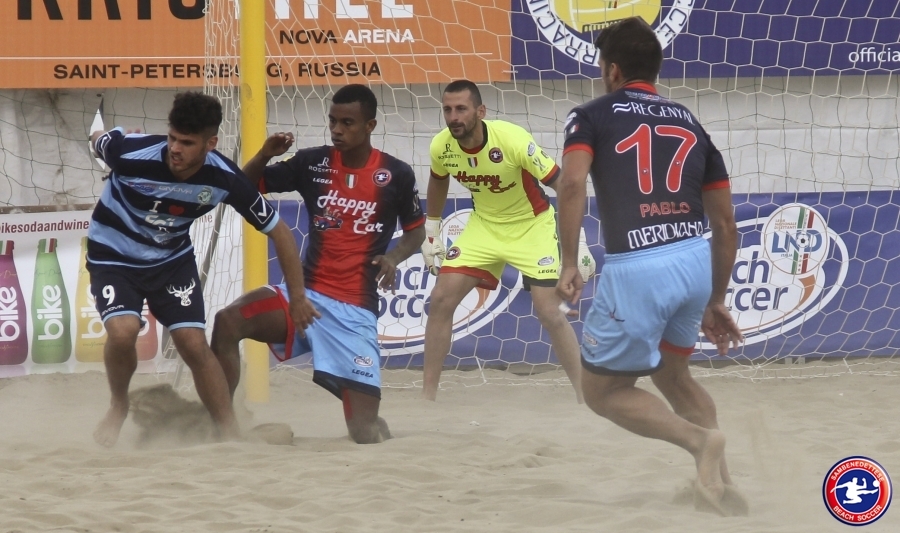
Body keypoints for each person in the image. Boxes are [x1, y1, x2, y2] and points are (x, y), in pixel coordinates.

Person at [554, 18, 748, 516]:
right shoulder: (690, 122)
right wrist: (716, 298)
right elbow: (726, 225)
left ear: (612, 71)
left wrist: (569, 260)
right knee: (674, 375)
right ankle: (721, 487)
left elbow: (571, 185)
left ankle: (700, 442)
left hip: (639, 268)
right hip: (694, 260)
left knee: (601, 391)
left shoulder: (590, 115)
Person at [88, 92, 311, 447]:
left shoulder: (224, 178)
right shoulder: (128, 152)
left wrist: (297, 296)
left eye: (187, 143)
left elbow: (280, 231)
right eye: (172, 138)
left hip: (171, 261)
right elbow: (99, 138)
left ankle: (229, 433)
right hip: (114, 255)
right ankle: (118, 405)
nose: (175, 149)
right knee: (123, 330)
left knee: (193, 344)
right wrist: (98, 134)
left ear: (210, 144)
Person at [211, 84, 425, 444]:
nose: (337, 130)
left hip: (355, 312)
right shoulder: (312, 163)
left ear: (370, 126)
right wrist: (263, 155)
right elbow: (243, 188)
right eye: (332, 121)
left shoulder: (396, 174)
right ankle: (223, 425)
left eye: (347, 123)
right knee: (227, 321)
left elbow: (416, 232)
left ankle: (369, 415)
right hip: (305, 298)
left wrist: (393, 256)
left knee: (364, 433)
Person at [420, 79, 590, 403]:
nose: (453, 117)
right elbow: (438, 181)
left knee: (549, 312)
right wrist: (431, 231)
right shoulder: (441, 146)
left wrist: (577, 241)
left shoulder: (513, 140)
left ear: (480, 111)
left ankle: (586, 395)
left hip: (532, 226)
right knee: (441, 299)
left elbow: (564, 185)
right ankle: (427, 398)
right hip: (484, 226)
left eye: (461, 109)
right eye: (447, 110)